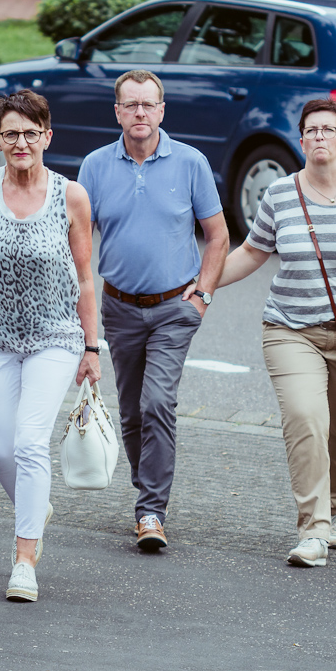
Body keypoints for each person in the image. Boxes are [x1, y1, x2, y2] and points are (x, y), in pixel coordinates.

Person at [218, 97, 336, 568]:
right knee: (306, 418)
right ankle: (313, 529)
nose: (319, 136)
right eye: (311, 130)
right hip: (291, 329)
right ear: (301, 141)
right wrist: (201, 284)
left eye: (328, 129)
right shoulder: (280, 194)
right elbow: (252, 252)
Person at [0, 89, 100, 602]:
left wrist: (92, 347)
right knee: (1, 449)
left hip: (54, 337)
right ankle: (36, 506)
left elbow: (86, 278)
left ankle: (25, 558)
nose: (21, 143)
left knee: (31, 444)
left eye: (31, 134)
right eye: (10, 134)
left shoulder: (71, 196)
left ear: (47, 137)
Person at [76, 69, 229, 552]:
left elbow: (218, 236)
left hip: (174, 308)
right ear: (117, 112)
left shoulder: (191, 163)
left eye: (148, 104)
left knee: (157, 402)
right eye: (131, 104)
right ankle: (148, 494)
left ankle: (151, 511)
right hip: (119, 308)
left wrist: (203, 295)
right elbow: (78, 244)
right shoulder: (95, 166)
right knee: (131, 412)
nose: (140, 112)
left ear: (162, 111)